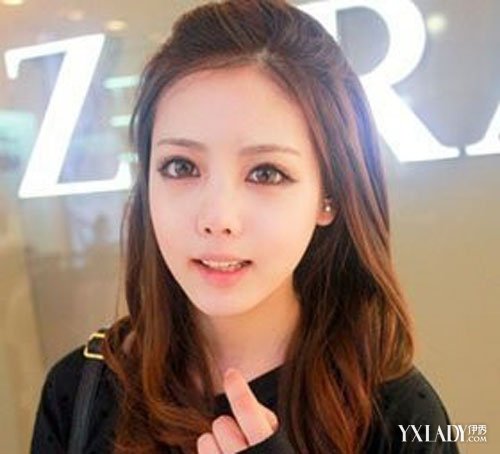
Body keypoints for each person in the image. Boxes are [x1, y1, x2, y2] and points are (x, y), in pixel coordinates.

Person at [31, 1, 460, 453]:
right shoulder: (79, 391)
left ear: (329, 195)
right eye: (181, 166)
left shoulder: (400, 417)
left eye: (266, 173)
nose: (218, 219)